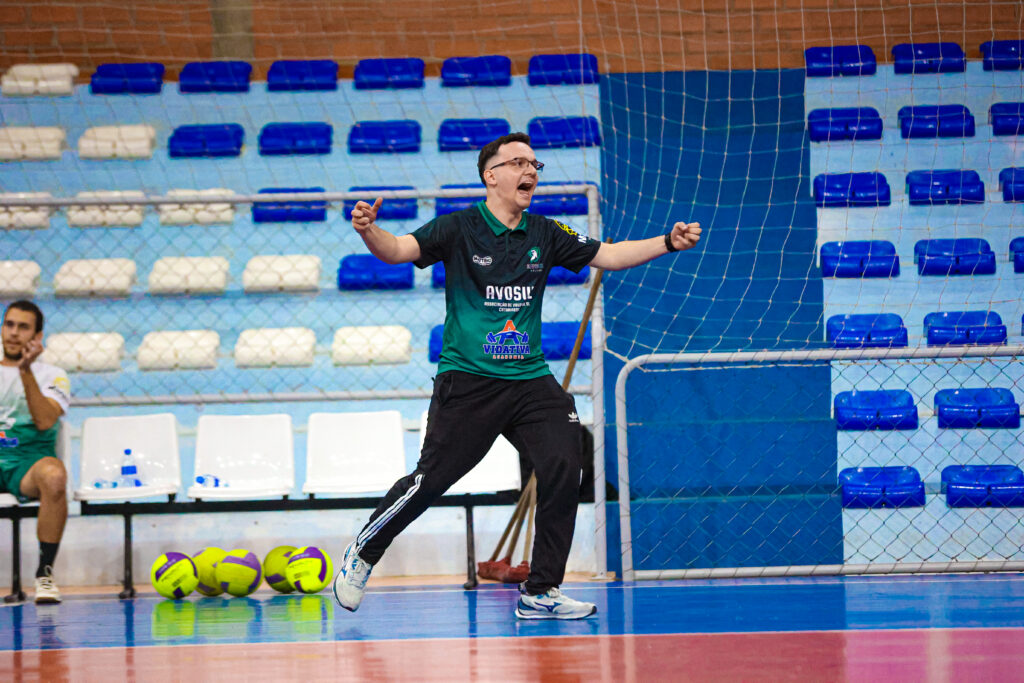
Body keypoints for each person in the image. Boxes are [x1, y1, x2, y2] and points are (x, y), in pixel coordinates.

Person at [333, 132, 701, 620]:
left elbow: (608, 256)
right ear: (492, 175)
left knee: (564, 462)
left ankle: (541, 589)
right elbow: (397, 250)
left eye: (534, 163)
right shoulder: (458, 227)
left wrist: (667, 243)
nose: (530, 171)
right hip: (468, 380)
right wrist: (367, 231)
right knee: (431, 480)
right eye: (519, 163)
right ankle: (363, 552)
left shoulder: (545, 232)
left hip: (529, 381)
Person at [0, 301, 70, 604]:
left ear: (37, 336)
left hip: (28, 463)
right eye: (9, 324)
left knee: (54, 475)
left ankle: (44, 573)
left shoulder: (53, 375)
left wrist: (25, 371)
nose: (14, 333)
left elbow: (44, 420)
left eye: (23, 327)